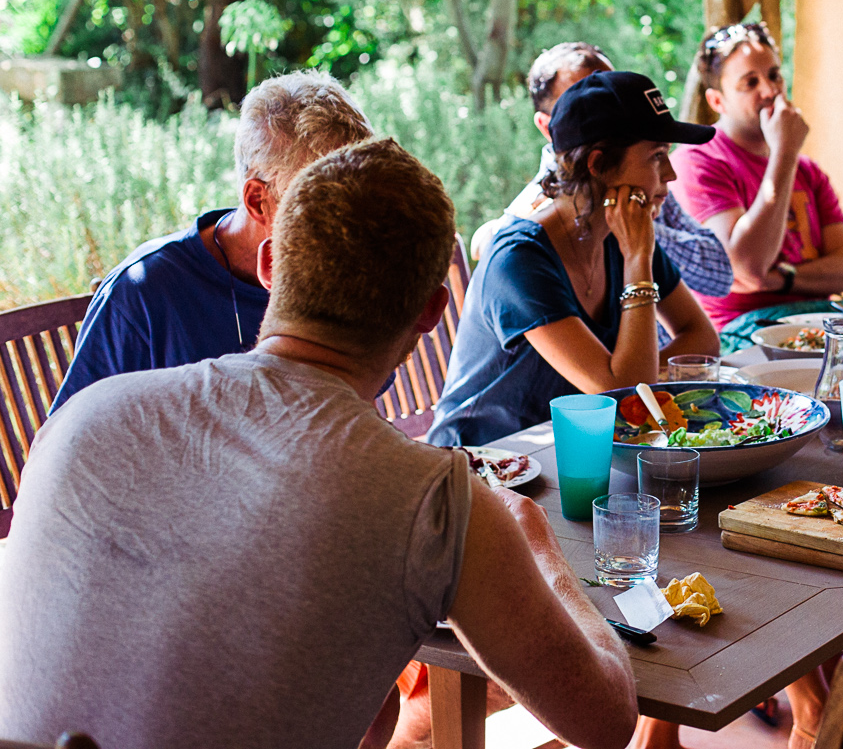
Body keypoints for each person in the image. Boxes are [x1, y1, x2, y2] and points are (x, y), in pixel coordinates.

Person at [0, 138, 638, 749]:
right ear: (433, 311)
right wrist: (539, 547)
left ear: (271, 263)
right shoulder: (437, 503)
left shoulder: (86, 416)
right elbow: (606, 724)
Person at [49, 69, 373, 413]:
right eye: (323, 202)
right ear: (257, 200)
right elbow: (66, 446)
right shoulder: (144, 292)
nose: (347, 223)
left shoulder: (344, 267)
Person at [428, 71, 721, 447]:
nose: (671, 174)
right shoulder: (520, 259)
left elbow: (701, 339)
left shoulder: (621, 236)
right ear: (597, 164)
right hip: (485, 465)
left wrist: (632, 378)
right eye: (656, 156)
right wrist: (637, 263)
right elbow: (624, 392)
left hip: (567, 450)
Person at [468, 42, 734, 304]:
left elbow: (720, 277)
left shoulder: (644, 176)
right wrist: (627, 231)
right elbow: (493, 248)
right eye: (581, 102)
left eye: (609, 86)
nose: (607, 107)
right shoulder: (535, 223)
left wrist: (635, 227)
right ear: (547, 126)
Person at [669, 22, 843, 330]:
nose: (770, 90)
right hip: (743, 331)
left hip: (818, 321)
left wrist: (779, 278)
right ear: (717, 101)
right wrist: (785, 154)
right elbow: (746, 267)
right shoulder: (697, 162)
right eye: (750, 83)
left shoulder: (808, 171)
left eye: (774, 75)